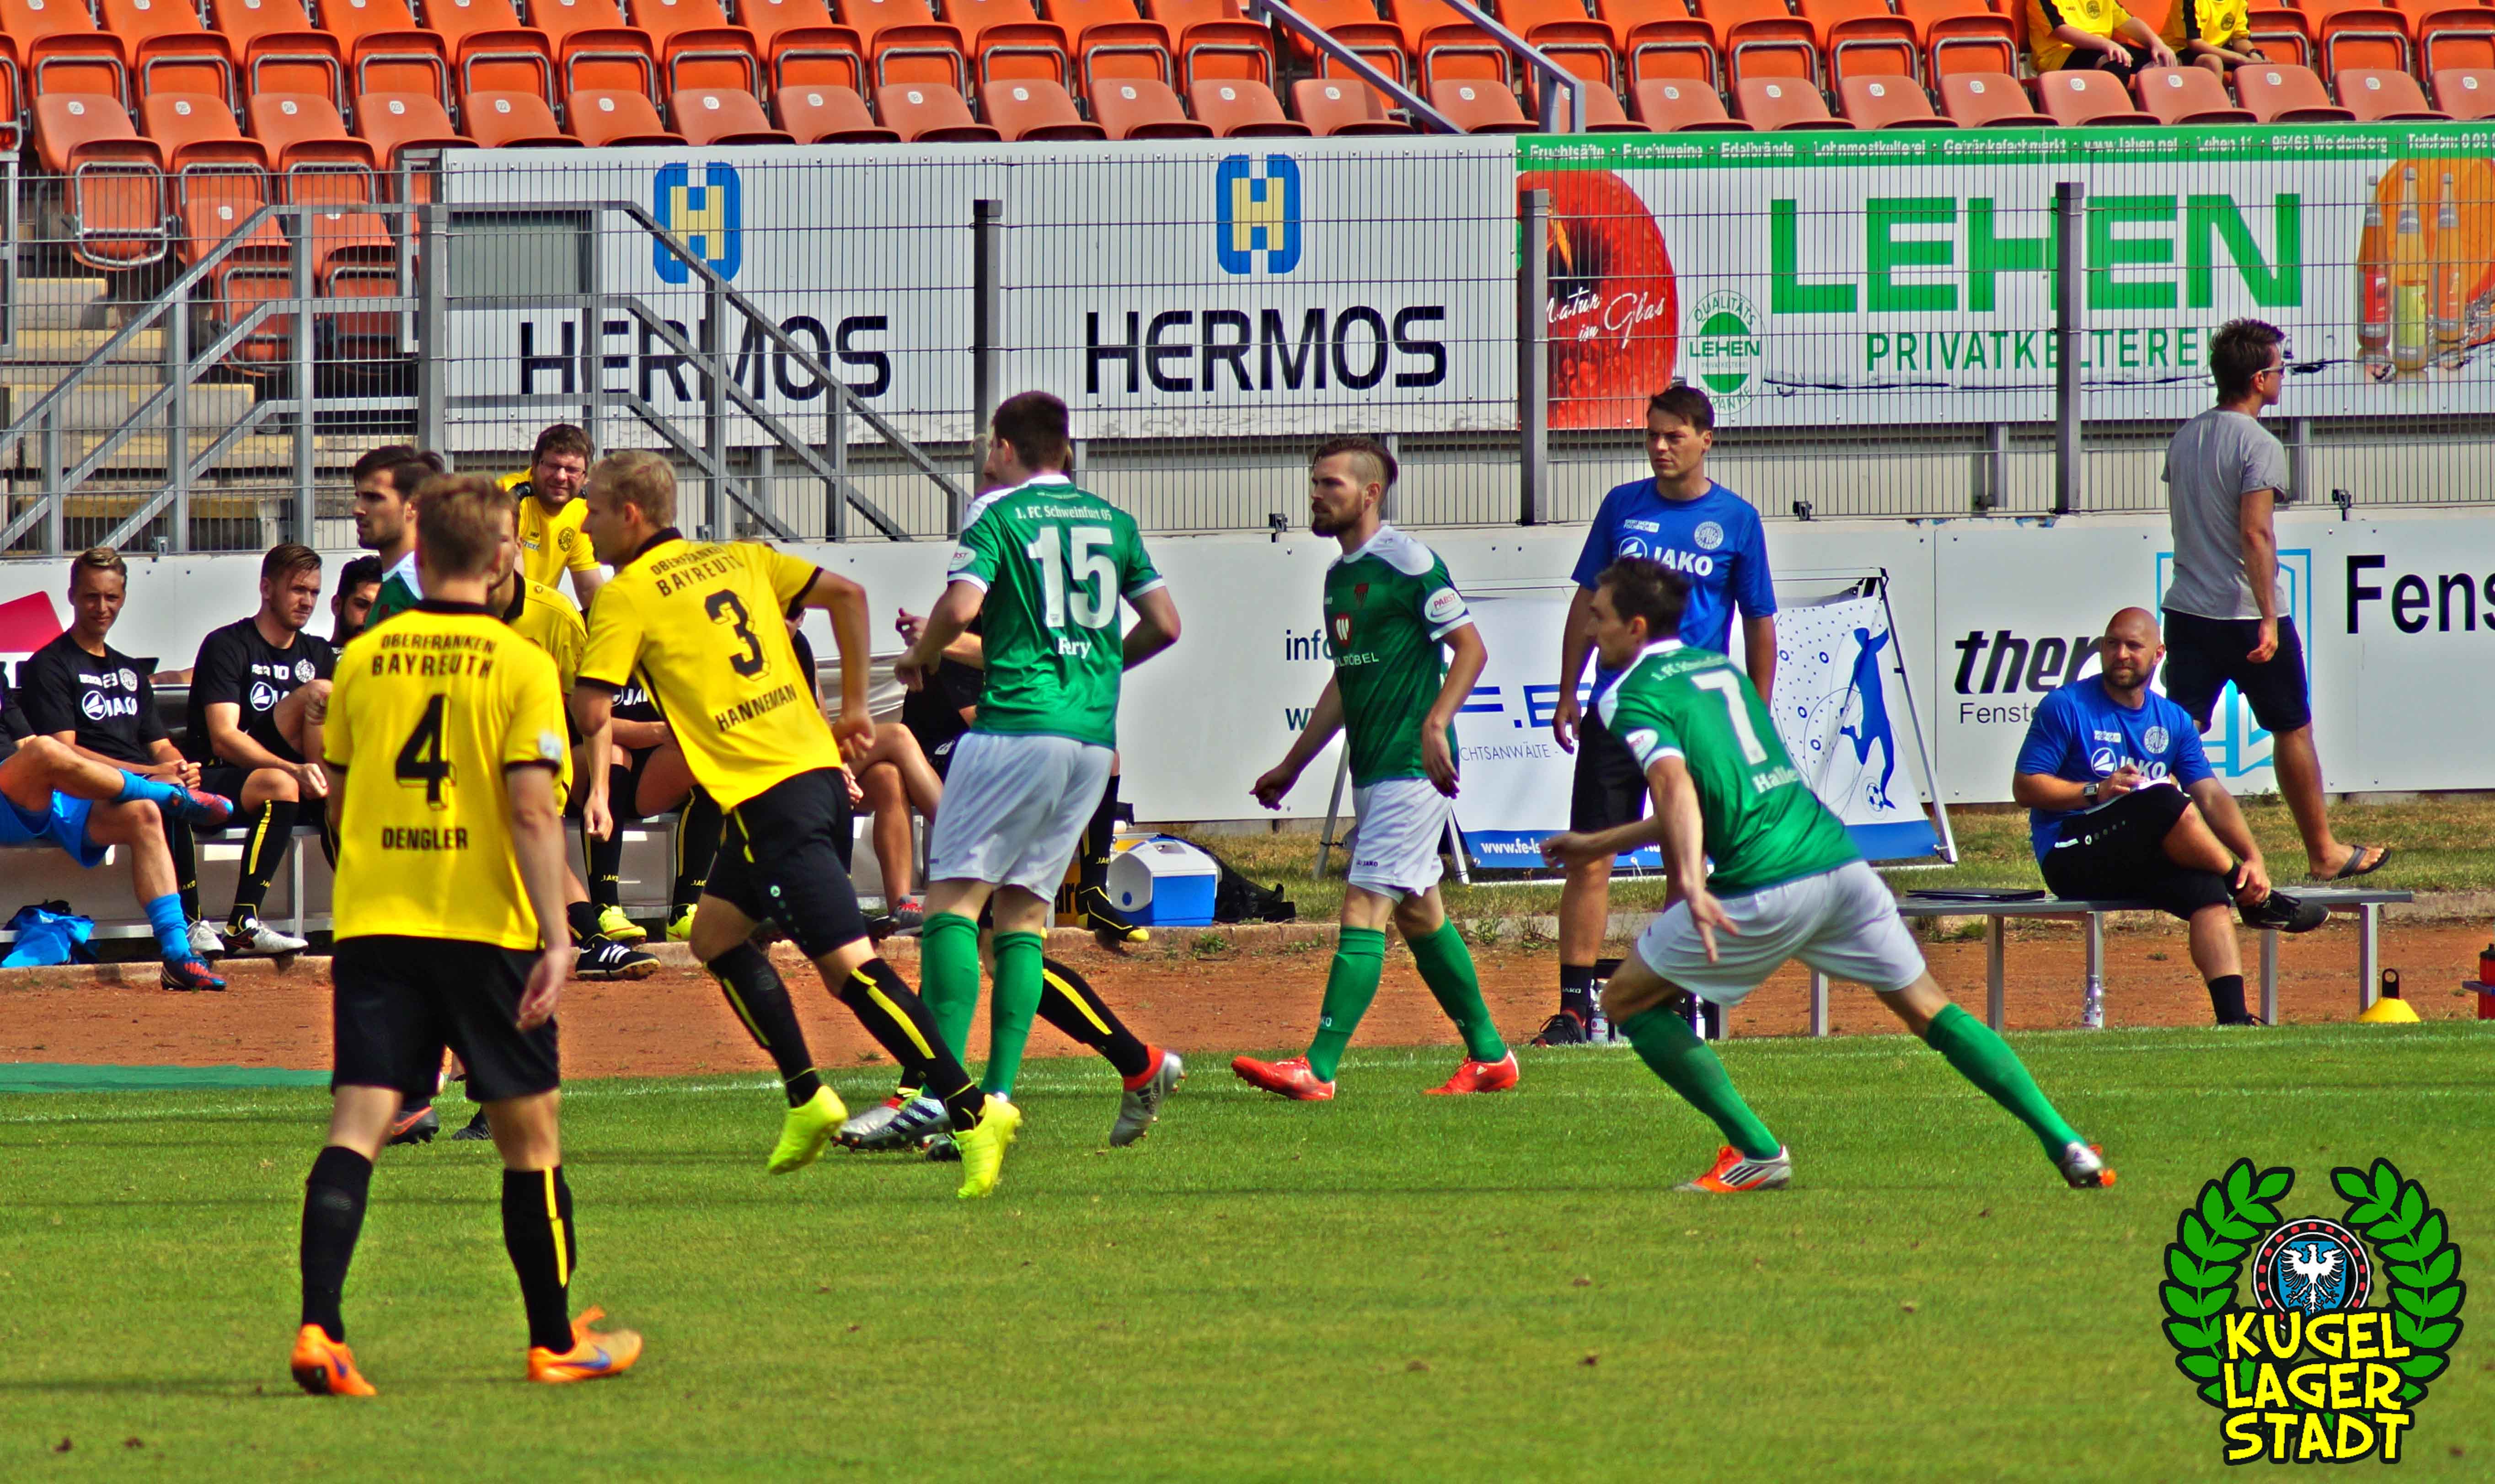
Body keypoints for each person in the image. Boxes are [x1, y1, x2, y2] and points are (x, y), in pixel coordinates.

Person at [1540, 559, 2115, 1193]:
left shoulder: (1627, 693)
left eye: (1598, 616)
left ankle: (1757, 1149)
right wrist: (1600, 842)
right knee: (1931, 1011)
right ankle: (2067, 1142)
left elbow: (1675, 787)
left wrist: (1693, 886)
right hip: (1838, 863)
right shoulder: (1718, 670)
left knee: (1624, 1001)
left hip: (1762, 881)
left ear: (1636, 626)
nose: (1588, 629)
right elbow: (1713, 798)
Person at [572, 450, 1023, 1198]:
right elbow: (848, 594)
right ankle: (808, 1097)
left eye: (591, 509)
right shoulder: (740, 558)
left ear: (629, 513)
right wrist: (855, 707)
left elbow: (591, 709)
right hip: (804, 779)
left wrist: (570, 712)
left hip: (772, 800)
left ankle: (973, 1113)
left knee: (852, 972)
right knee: (714, 936)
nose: (583, 525)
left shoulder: (625, 596)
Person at [291, 477, 638, 1398]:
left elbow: (338, 801)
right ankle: (554, 1339)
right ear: (498, 557)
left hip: (378, 922)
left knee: (357, 1124)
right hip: (486, 928)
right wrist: (559, 934)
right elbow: (531, 810)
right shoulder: (519, 663)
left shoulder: (364, 659)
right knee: (530, 1138)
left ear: (422, 551)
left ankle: (321, 1328)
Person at [890, 391, 1186, 1152]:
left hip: (1014, 728)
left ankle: (938, 1094)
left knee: (952, 908)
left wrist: (922, 655)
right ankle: (994, 1099)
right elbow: (1165, 625)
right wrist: (1101, 669)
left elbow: (960, 606)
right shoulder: (1113, 522)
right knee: (1021, 921)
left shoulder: (997, 513)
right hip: (1089, 740)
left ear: (1002, 447)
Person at [1234, 436, 1512, 1100]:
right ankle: (1491, 1056)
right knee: (1419, 915)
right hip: (1375, 767)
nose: (1316, 495)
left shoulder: (1408, 562)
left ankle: (1319, 1066)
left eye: (1330, 484)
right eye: (1314, 483)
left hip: (1412, 767)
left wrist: (1436, 723)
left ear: (1370, 493)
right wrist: (1293, 764)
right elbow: (1345, 680)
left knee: (1364, 906)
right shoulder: (1338, 576)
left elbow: (1471, 650)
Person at [1543, 384, 1778, 1047]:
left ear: (1706, 440)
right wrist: (1567, 690)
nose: (1659, 447)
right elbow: (1586, 602)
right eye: (1651, 435)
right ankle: (1573, 1009)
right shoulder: (1622, 506)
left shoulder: (1737, 520)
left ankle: (1672, 996)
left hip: (1693, 717)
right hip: (1618, 708)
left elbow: (1759, 623)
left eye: (1674, 436)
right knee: (1590, 856)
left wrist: (1753, 718)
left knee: (1686, 857)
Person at [2012, 608, 2326, 1027]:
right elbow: (2025, 787)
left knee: (2207, 890)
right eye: (2112, 644)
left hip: (2137, 854)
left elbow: (2211, 795)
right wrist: (2094, 791)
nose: (2121, 654)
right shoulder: (2066, 706)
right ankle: (2252, 897)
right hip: (2070, 853)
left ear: (2158, 654)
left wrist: (2255, 857)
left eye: (2133, 646)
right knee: (2161, 799)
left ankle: (2235, 1022)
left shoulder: (2173, 719)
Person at [2162, 318, 2385, 883]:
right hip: (2242, 613)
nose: (2283, 377)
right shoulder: (2258, 443)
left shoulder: (2185, 436)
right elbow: (2255, 532)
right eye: (2280, 369)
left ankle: (2156, 847)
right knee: (2291, 727)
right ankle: (2322, 852)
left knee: (2174, 735)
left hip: (2186, 611)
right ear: (2259, 379)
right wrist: (2267, 616)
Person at [22, 547, 221, 960]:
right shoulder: (49, 664)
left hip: (141, 788)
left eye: (111, 597)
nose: (102, 607)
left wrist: (179, 765)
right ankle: (191, 921)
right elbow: (63, 753)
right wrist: (151, 771)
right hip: (79, 796)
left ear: (124, 598)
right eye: (92, 596)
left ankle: (191, 934)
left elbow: (159, 743)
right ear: (73, 595)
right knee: (166, 792)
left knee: (174, 786)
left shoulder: (130, 670)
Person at [182, 544, 333, 958]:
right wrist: (296, 769)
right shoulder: (228, 644)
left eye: (314, 592)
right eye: (298, 589)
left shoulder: (318, 652)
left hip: (293, 784)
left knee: (319, 789)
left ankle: (244, 924)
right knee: (319, 696)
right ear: (267, 588)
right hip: (220, 775)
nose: (307, 601)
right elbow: (223, 738)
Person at [501, 424, 605, 608]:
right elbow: (512, 586)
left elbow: (589, 588)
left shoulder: (581, 508)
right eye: (553, 466)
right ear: (535, 464)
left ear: (586, 477)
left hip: (538, 611)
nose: (561, 476)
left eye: (572, 470)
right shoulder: (509, 496)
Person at [357, 446, 446, 627]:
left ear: (413, 506)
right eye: (358, 496)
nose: (357, 509)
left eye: (373, 498)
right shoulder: (398, 580)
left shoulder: (421, 585)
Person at [2024, 0, 2174, 80]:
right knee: (2115, 63)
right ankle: (2111, 121)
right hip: (2059, 56)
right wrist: (2106, 44)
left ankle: (2152, 120)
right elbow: (2061, 31)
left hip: (2104, 49)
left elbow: (2127, 21)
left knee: (2161, 61)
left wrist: (2157, 44)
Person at [2161, 0, 2262, 74]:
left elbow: (2240, 39)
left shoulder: (2240, 2)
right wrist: (2239, 58)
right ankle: (2215, 99)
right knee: (2213, 62)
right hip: (2180, 51)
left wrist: (2252, 53)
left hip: (2218, 50)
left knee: (2261, 63)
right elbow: (2194, 43)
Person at [328, 555, 385, 645]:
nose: (370, 618)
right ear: (337, 605)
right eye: (362, 605)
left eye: (379, 609)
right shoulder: (310, 652)